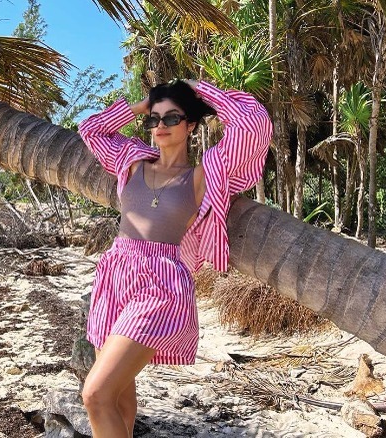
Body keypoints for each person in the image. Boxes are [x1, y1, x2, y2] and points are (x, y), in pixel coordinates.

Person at [77, 78, 272, 437]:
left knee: (95, 394)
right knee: (118, 396)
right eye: (153, 120)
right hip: (115, 277)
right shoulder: (131, 161)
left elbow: (252, 127)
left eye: (171, 118)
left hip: (161, 286)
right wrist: (141, 105)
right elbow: (89, 129)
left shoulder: (203, 175)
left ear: (191, 125)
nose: (160, 127)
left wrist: (201, 91)